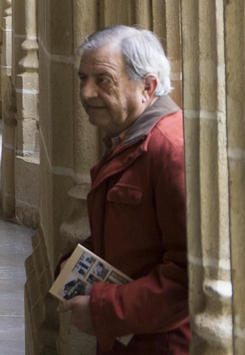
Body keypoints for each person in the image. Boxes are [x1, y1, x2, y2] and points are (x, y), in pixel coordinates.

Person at [56, 26, 188, 354]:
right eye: (82, 79)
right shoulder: (129, 137)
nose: (86, 93)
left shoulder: (170, 150)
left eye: (103, 80)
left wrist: (103, 310)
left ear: (148, 86)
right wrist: (75, 264)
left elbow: (189, 277)